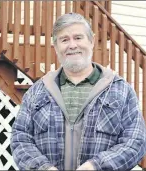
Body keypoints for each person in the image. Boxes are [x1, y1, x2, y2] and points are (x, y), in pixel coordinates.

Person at [10, 13, 146, 170]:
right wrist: (42, 167)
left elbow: (135, 141)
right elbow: (20, 138)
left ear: (91, 41)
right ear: (56, 47)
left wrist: (97, 166)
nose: (72, 45)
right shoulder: (37, 91)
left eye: (78, 37)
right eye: (64, 40)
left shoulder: (121, 90)